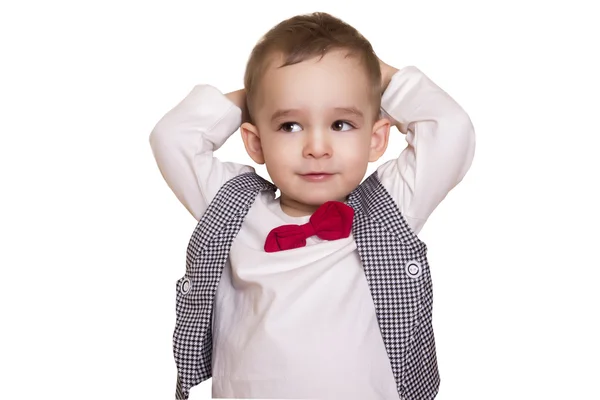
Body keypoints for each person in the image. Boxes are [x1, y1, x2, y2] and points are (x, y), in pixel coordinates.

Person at [150, 11, 475, 400]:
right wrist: (257, 94)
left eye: (341, 124)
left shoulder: (390, 208)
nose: (316, 148)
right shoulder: (234, 207)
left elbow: (450, 129)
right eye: (289, 125)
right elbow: (173, 138)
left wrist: (379, 79)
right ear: (255, 142)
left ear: (375, 139)